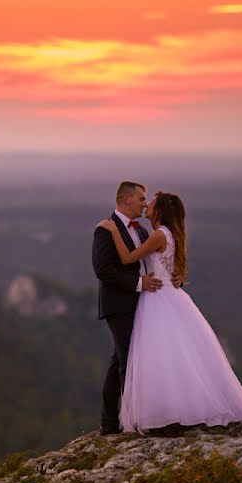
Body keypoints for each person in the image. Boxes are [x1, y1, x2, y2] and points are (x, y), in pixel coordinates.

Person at [96, 190, 242, 433]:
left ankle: (148, 416)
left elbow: (129, 258)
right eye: (143, 200)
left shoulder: (156, 235)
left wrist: (113, 231)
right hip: (162, 297)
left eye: (150, 202)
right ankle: (150, 414)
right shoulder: (166, 234)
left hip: (156, 299)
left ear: (160, 210)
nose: (146, 205)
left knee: (156, 358)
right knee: (170, 356)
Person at [92, 180, 175, 435]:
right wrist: (139, 283)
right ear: (126, 199)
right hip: (118, 305)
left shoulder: (140, 231)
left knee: (120, 361)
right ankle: (137, 421)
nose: (144, 203)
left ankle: (109, 423)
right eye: (141, 198)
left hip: (141, 305)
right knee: (129, 361)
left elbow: (149, 261)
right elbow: (103, 270)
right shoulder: (106, 229)